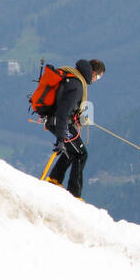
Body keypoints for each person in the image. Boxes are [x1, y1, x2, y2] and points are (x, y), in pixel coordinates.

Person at [45, 58, 105, 198]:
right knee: (81, 154)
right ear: (94, 72)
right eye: (99, 77)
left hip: (59, 121)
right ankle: (74, 193)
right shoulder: (77, 85)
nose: (97, 80)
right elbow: (62, 112)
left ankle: (55, 179)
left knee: (74, 150)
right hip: (59, 122)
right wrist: (61, 138)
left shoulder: (73, 78)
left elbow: (66, 108)